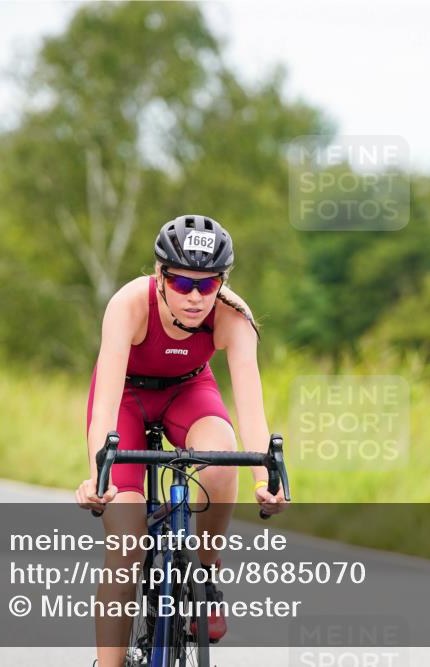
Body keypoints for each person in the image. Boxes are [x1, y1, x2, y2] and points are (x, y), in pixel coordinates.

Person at [75, 214, 288, 666]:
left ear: (222, 283)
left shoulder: (235, 317)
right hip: (127, 399)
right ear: (159, 276)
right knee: (127, 545)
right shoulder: (128, 305)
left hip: (188, 391)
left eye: (208, 286)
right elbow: (106, 406)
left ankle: (207, 577)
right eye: (182, 282)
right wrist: (99, 473)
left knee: (220, 457)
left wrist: (265, 479)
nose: (195, 297)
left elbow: (251, 409)